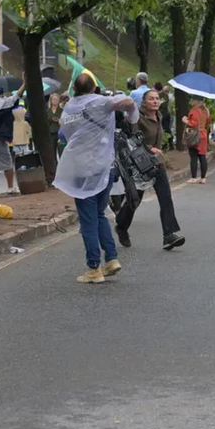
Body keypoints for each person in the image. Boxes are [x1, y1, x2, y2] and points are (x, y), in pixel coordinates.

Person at [54, 73, 136, 283]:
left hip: (81, 170)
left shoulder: (68, 109)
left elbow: (64, 134)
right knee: (99, 215)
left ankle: (94, 269)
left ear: (74, 89)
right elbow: (127, 101)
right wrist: (131, 115)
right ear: (93, 88)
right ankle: (111, 259)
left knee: (88, 220)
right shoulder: (101, 103)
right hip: (104, 168)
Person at [114, 89, 185, 251]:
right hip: (141, 165)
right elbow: (131, 139)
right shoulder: (137, 117)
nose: (155, 101)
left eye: (157, 98)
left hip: (157, 164)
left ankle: (169, 235)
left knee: (165, 198)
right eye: (151, 99)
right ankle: (121, 225)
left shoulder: (159, 116)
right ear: (144, 102)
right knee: (134, 200)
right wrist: (148, 148)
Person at [0, 77, 26, 195]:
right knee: (7, 163)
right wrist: (25, 83)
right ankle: (10, 187)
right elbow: (17, 95)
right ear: (2, 94)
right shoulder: (5, 102)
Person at [183, 97, 211, 184]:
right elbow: (208, 122)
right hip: (203, 134)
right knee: (202, 156)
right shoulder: (206, 110)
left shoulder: (194, 111)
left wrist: (185, 120)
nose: (191, 101)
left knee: (194, 156)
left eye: (193, 99)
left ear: (196, 101)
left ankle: (194, 177)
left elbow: (193, 124)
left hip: (195, 134)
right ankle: (203, 178)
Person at [47, 93, 63, 161]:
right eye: (53, 99)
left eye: (56, 99)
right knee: (52, 151)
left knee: (60, 151)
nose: (55, 101)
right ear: (51, 100)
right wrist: (50, 120)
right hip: (51, 133)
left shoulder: (61, 110)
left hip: (59, 133)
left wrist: (59, 121)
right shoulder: (47, 111)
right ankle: (54, 167)